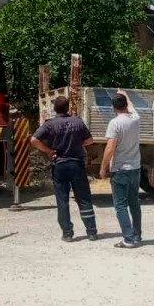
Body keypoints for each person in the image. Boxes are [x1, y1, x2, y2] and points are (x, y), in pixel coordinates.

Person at [31, 95, 98, 242]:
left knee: (62, 200)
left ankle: (67, 233)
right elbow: (89, 140)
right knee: (84, 199)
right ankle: (91, 232)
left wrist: (49, 151)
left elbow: (34, 140)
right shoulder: (77, 121)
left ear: (54, 108)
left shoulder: (50, 124)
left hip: (60, 165)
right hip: (77, 165)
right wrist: (78, 144)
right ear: (67, 108)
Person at [100, 89, 142, 248]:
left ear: (113, 107)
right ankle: (136, 235)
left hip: (120, 169)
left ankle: (128, 239)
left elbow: (110, 148)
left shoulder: (115, 123)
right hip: (135, 167)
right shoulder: (135, 119)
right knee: (134, 203)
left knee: (120, 205)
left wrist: (103, 167)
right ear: (125, 105)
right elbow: (131, 107)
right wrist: (125, 94)